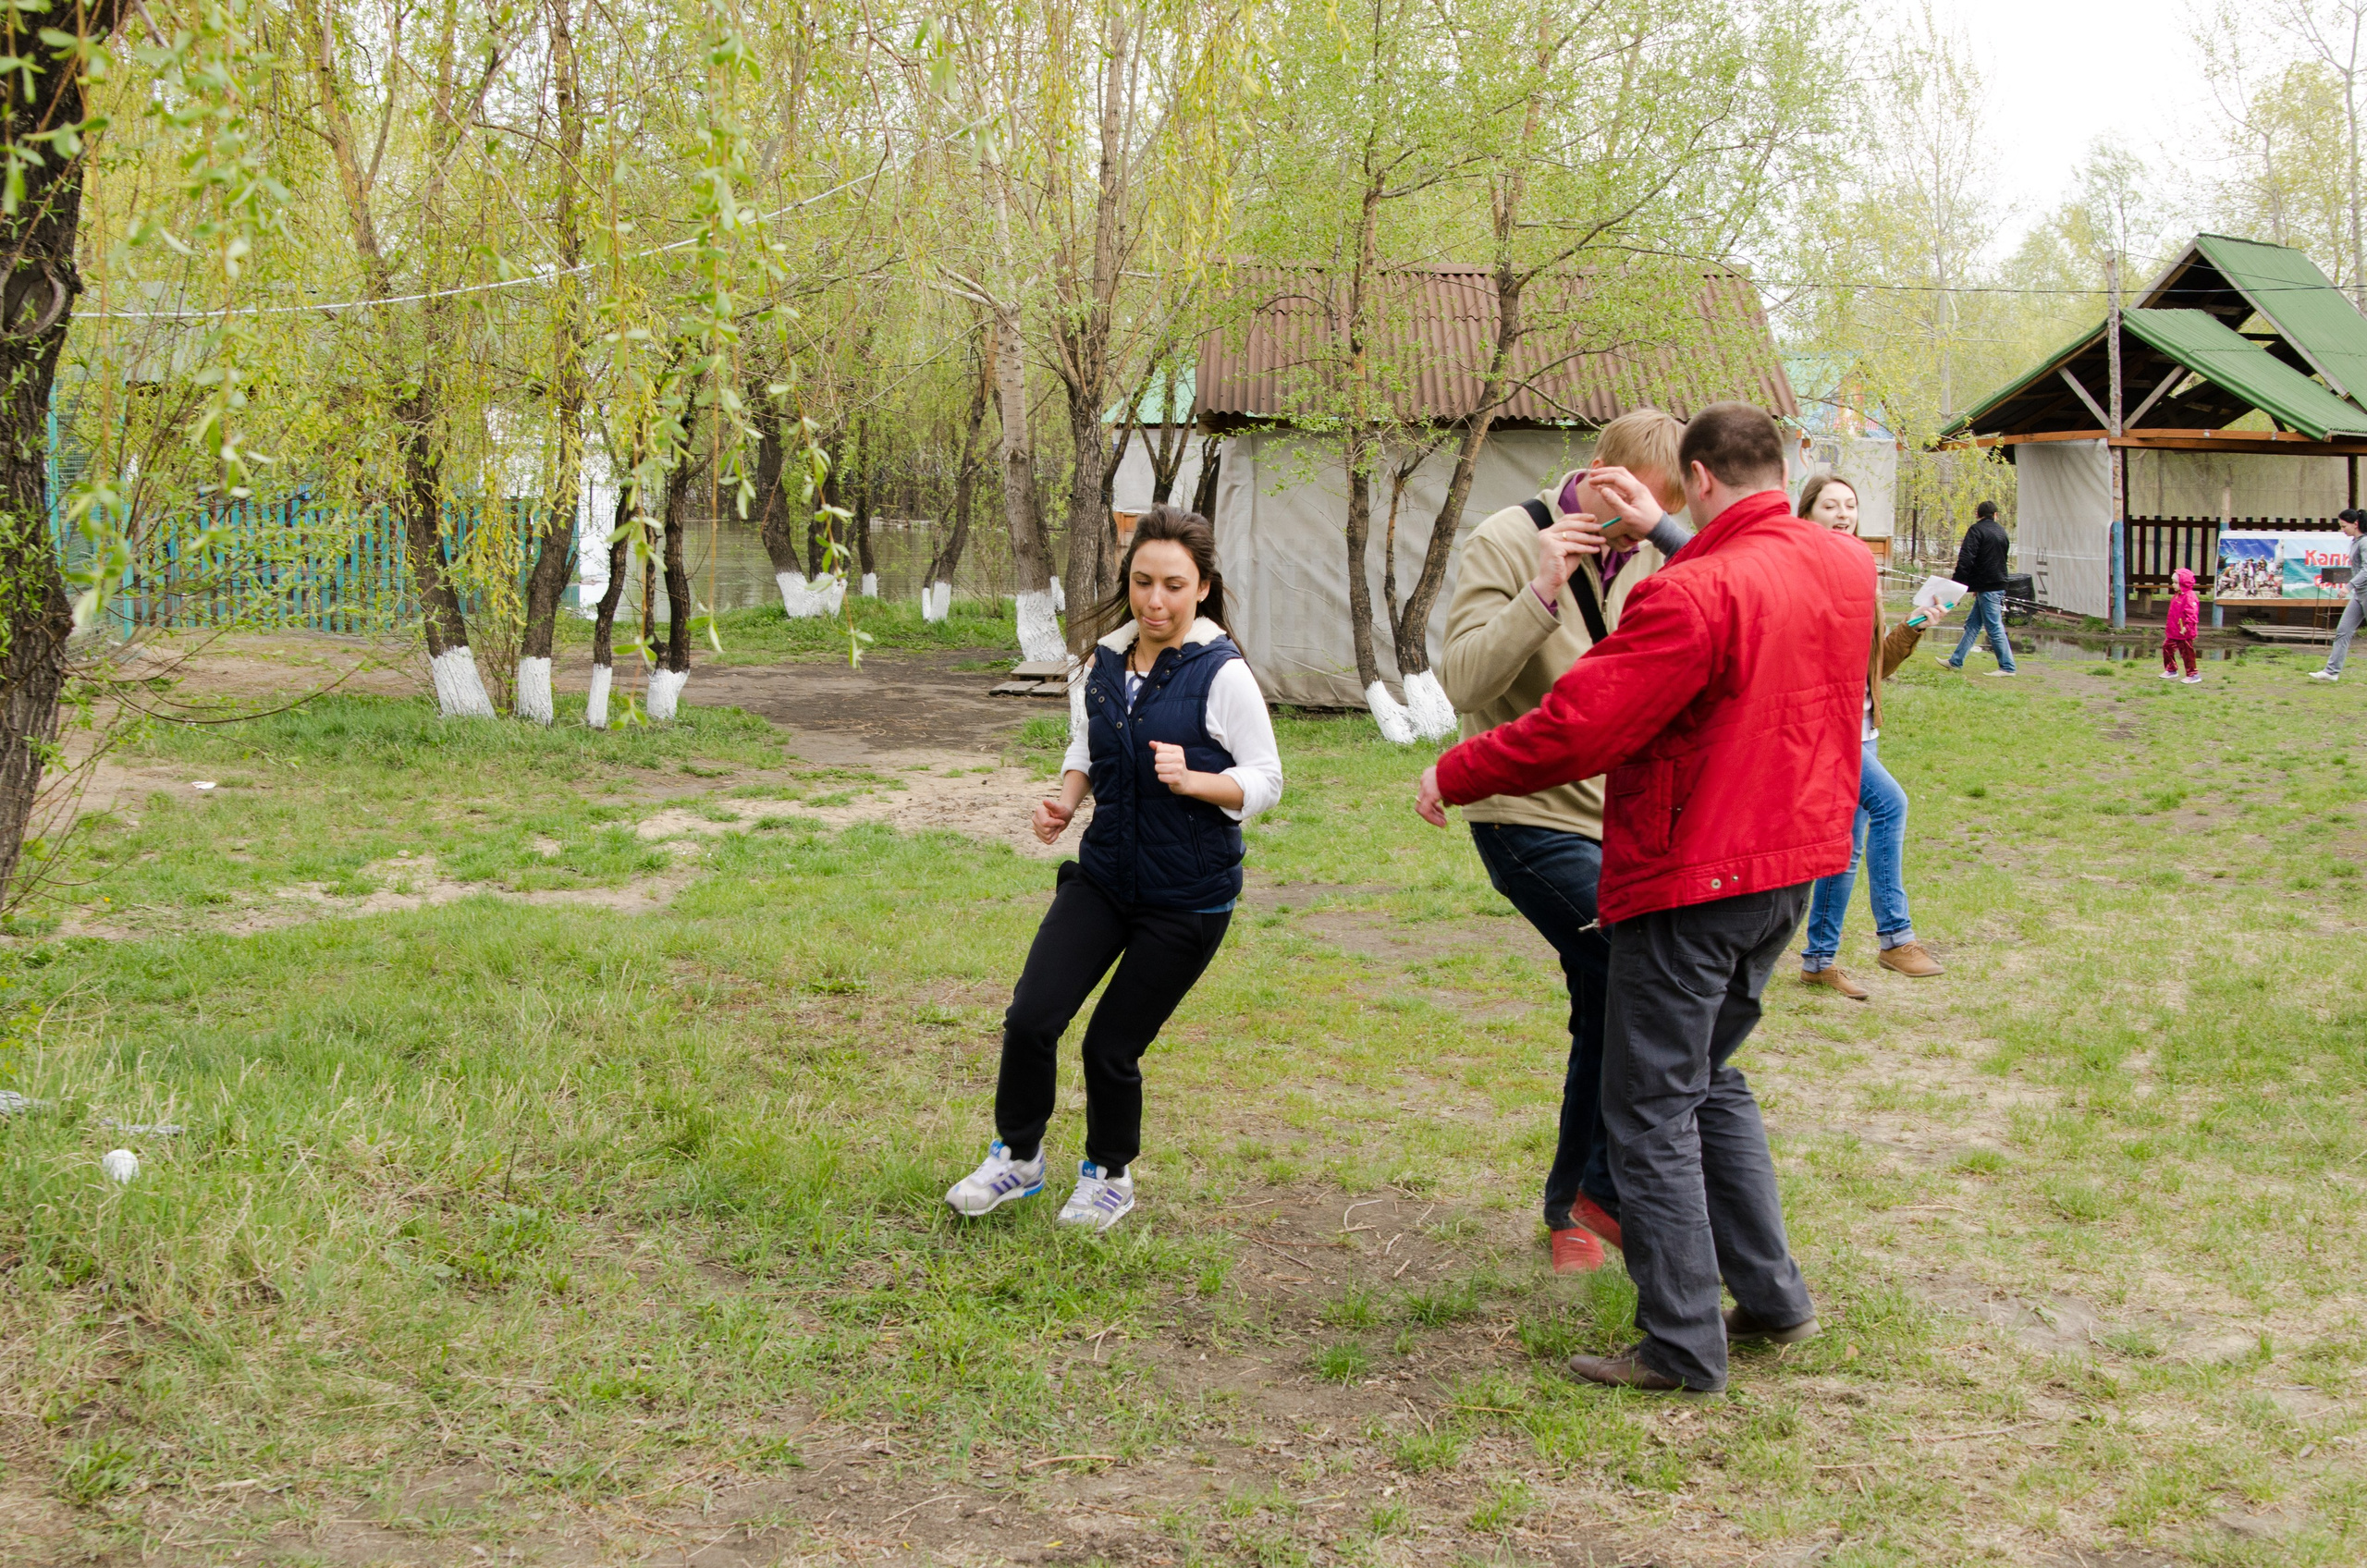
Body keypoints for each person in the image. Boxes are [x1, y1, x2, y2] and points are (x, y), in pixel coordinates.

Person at [1416, 403, 1875, 1394]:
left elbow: (1580, 725)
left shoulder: (1691, 593)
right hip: (1791, 871)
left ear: (1698, 479)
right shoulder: (1844, 567)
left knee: (1651, 1105)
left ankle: (1679, 1341)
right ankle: (1773, 1297)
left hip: (1694, 874)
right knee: (1708, 1080)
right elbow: (1749, 564)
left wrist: (1456, 772)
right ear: (1778, 467)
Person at [946, 505, 1282, 1232]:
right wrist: (1065, 804)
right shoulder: (1101, 664)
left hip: (1186, 901)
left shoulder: (1222, 675)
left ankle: (1107, 1175)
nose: (1154, 601)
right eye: (1141, 582)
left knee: (1110, 1045)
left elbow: (1266, 778)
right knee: (1032, 1017)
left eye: (1172, 585)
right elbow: (1086, 749)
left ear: (1202, 588)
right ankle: (1018, 1157)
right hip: (1103, 879)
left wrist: (1198, 780)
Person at [1439, 409, 1694, 1276]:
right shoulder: (1509, 539)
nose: (1637, 529)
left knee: (1611, 996)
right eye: (1627, 508)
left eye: (1657, 515)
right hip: (1524, 813)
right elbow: (1463, 680)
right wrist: (1542, 591)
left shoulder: (1661, 550)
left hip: (1621, 819)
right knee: (1628, 967)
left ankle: (1585, 1204)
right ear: (1597, 473)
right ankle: (1591, 1198)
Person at [1795, 472, 1944, 999]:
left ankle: (1818, 959)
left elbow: (1873, 664)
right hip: (1829, 732)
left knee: (1846, 846)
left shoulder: (1862, 573)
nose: (1842, 514)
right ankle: (1896, 937)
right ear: (1806, 513)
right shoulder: (1801, 572)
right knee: (1892, 805)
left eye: (1850, 505)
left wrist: (1915, 626)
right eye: (1829, 505)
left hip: (1861, 726)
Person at [1938, 500, 2017, 675]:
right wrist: (1977, 586)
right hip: (1996, 583)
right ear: (1995, 515)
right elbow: (1997, 561)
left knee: (1993, 625)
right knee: (1973, 625)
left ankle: (2007, 666)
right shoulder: (2002, 532)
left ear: (1977, 514)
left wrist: (1957, 586)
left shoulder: (1976, 530)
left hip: (1988, 586)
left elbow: (1966, 559)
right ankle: (1956, 661)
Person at [2310, 510, 2365, 681]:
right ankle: (2332, 671)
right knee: (2343, 631)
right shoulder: (2355, 542)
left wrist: (2348, 587)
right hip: (2360, 594)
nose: (2343, 530)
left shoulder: (2364, 543)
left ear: (2355, 523)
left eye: (2344, 526)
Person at [2162, 567, 2202, 684]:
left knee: (2187, 654)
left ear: (2183, 583)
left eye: (2175, 583)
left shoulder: (2189, 597)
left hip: (2184, 633)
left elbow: (2192, 614)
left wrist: (2187, 627)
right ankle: (2171, 669)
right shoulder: (2177, 595)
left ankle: (2193, 674)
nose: (2173, 585)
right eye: (2173, 582)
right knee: (2167, 648)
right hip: (2174, 631)